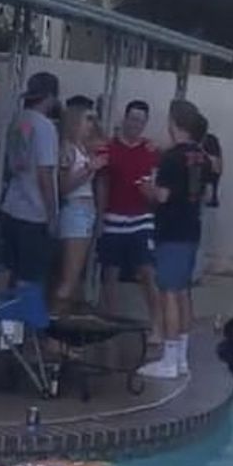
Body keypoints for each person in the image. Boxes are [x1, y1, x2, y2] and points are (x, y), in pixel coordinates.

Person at [137, 99, 209, 380]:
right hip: (192, 227)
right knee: (183, 291)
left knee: (168, 291)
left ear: (174, 123)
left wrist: (146, 189)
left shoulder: (171, 158)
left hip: (172, 231)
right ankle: (180, 358)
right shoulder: (201, 156)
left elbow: (164, 195)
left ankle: (168, 360)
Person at [94, 100, 160, 331]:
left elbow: (154, 185)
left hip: (141, 218)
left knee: (147, 273)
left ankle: (156, 324)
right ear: (125, 118)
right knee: (110, 273)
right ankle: (111, 325)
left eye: (141, 121)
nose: (136, 125)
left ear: (145, 123)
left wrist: (150, 194)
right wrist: (100, 217)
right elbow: (102, 183)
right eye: (132, 119)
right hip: (113, 217)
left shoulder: (151, 151)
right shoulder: (109, 149)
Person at [0, 72, 60, 290]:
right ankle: (19, 323)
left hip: (12, 205)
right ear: (50, 97)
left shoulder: (18, 120)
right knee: (29, 277)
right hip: (34, 213)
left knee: (6, 269)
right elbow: (45, 173)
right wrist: (52, 215)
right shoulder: (45, 127)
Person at [53, 101, 106, 312]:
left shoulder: (84, 148)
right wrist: (88, 169)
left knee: (74, 277)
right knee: (69, 278)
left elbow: (102, 140)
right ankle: (53, 336)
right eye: (88, 119)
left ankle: (60, 333)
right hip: (75, 212)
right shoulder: (68, 150)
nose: (92, 124)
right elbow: (63, 186)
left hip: (85, 213)